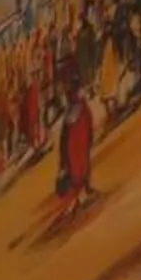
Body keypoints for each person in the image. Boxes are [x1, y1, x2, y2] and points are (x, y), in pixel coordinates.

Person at [53, 62, 95, 214]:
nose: (61, 88)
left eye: (64, 84)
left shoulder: (78, 103)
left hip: (77, 131)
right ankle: (78, 194)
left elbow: (84, 122)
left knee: (77, 164)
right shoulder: (73, 101)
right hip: (72, 130)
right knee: (71, 165)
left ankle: (81, 193)